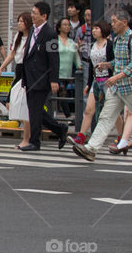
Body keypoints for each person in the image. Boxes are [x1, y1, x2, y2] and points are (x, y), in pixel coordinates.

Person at [73, 10, 132, 161]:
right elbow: (119, 62)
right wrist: (107, 65)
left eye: (114, 21)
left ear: (124, 22)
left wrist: (117, 76)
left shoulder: (130, 38)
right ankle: (91, 148)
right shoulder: (118, 40)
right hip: (117, 86)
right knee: (106, 116)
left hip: (128, 86)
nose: (112, 25)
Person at [20, 1, 68, 152]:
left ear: (44, 16)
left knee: (35, 111)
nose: (32, 15)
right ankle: (60, 129)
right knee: (35, 110)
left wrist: (54, 80)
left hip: (41, 78)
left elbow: (54, 58)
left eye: (35, 13)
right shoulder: (33, 30)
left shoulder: (50, 33)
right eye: (32, 12)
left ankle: (35, 142)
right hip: (29, 77)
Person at [0, 12, 34, 149]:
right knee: (14, 102)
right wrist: (1, 68)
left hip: (27, 71)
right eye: (18, 21)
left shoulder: (32, 37)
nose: (19, 23)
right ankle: (28, 136)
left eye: (22, 21)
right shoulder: (18, 37)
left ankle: (27, 138)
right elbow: (12, 54)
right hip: (18, 70)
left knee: (24, 106)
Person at [73, 19, 112, 146]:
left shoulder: (109, 44)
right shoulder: (93, 45)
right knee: (89, 109)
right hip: (96, 81)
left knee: (112, 111)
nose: (94, 31)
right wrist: (88, 84)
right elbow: (90, 66)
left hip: (108, 81)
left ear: (103, 30)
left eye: (97, 28)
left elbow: (114, 63)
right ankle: (81, 136)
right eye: (93, 28)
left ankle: (121, 136)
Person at [55, 17, 81, 116]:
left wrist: (80, 67)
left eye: (68, 25)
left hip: (67, 74)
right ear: (59, 27)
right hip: (56, 73)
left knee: (62, 94)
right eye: (64, 24)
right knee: (62, 94)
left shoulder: (71, 42)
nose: (67, 26)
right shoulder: (55, 40)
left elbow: (76, 58)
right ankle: (68, 116)